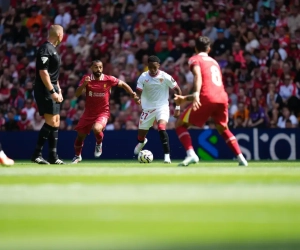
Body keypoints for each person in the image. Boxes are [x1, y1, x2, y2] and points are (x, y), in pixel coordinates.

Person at [174, 36, 248, 167]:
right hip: (222, 97)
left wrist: (195, 93)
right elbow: (210, 87)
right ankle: (241, 158)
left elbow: (198, 76)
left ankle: (191, 155)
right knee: (223, 128)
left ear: (196, 48)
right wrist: (186, 99)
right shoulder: (214, 62)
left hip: (207, 98)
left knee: (180, 125)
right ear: (209, 49)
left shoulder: (194, 59)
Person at [71, 60, 140, 164]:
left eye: (100, 67)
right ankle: (77, 156)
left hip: (103, 112)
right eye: (95, 67)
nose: (98, 69)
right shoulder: (86, 79)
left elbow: (123, 84)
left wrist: (133, 95)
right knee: (80, 136)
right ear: (91, 68)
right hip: (88, 113)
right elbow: (76, 94)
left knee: (97, 128)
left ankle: (99, 143)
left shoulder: (108, 79)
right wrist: (83, 85)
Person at [133, 55, 182, 163]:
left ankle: (167, 156)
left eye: (155, 67)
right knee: (141, 135)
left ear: (159, 66)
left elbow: (177, 90)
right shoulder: (143, 77)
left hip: (162, 107)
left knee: (161, 127)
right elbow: (138, 93)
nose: (153, 70)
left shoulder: (165, 77)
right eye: (150, 67)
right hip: (147, 109)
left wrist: (178, 107)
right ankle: (142, 142)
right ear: (147, 66)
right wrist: (137, 99)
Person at [31, 25, 65, 165]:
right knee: (51, 121)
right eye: (62, 33)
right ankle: (37, 154)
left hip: (53, 87)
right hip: (45, 89)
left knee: (56, 121)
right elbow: (43, 72)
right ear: (58, 35)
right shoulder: (45, 49)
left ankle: (53, 156)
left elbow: (53, 74)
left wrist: (59, 90)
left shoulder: (53, 50)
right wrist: (52, 92)